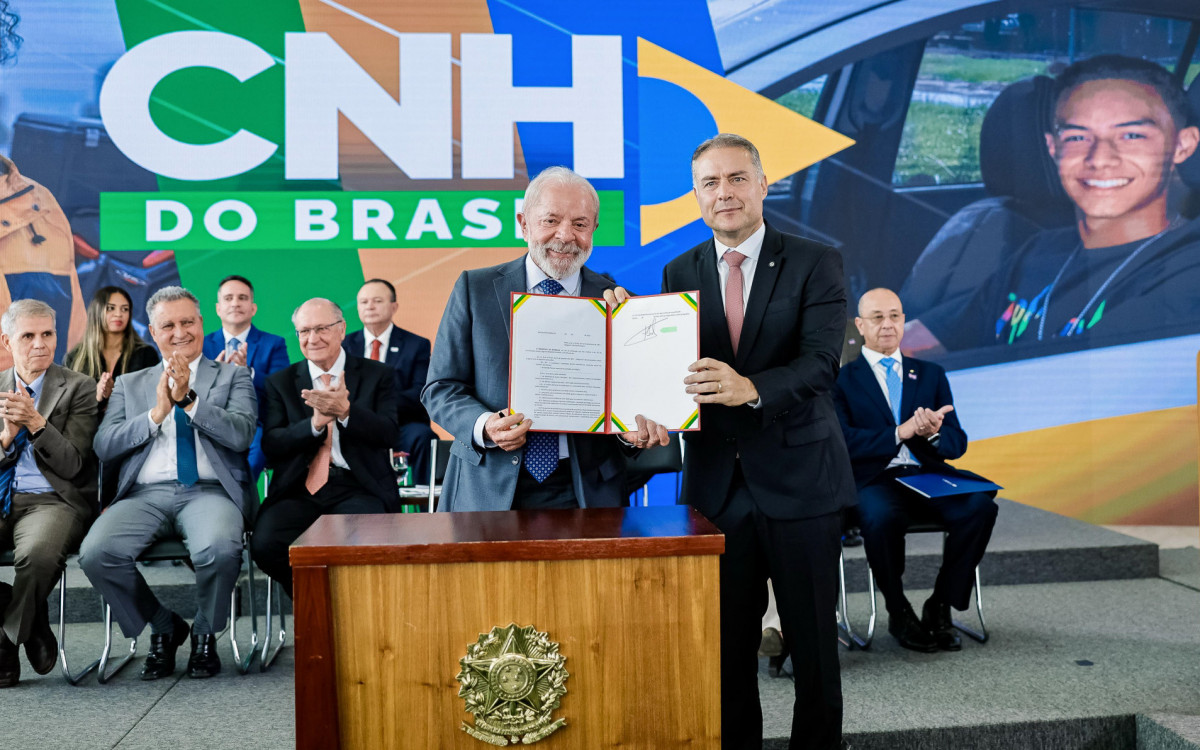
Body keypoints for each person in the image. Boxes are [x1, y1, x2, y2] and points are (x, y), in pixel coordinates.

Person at [609, 134, 856, 750]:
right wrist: (628, 348)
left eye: (737, 179)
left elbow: (824, 363)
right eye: (710, 184)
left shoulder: (815, 261)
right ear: (695, 196)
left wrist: (750, 387)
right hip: (717, 489)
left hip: (802, 485)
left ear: (763, 184)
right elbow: (670, 371)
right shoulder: (680, 270)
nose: (725, 194)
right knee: (725, 653)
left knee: (813, 651)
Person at [909, 55, 1200, 355]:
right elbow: (923, 340)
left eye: (1131, 135)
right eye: (1077, 137)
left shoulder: (1187, 274)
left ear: (1183, 145)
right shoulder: (1040, 252)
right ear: (1053, 148)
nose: (1099, 159)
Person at [422, 166, 667, 513]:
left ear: (594, 229)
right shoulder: (474, 289)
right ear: (523, 224)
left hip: (586, 491)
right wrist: (485, 426)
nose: (565, 236)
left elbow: (635, 404)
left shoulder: (621, 304)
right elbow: (441, 388)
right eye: (550, 221)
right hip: (486, 487)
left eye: (580, 224)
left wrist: (631, 433)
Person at [79, 286, 257, 680]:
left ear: (202, 324)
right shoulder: (130, 383)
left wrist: (190, 401)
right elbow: (105, 445)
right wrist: (156, 414)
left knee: (220, 549)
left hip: (209, 492)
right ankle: (163, 625)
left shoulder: (234, 376)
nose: (180, 332)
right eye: (169, 325)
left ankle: (205, 634)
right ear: (153, 331)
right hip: (144, 495)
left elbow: (242, 434)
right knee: (96, 553)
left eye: (188, 322)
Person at [835, 288, 998, 652]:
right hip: (874, 479)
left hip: (926, 475)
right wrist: (899, 432)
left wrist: (937, 432)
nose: (888, 325)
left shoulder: (930, 374)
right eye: (878, 317)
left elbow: (958, 442)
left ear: (904, 321)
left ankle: (940, 604)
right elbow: (842, 442)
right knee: (879, 517)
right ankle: (898, 609)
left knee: (980, 508)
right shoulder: (841, 379)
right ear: (860, 325)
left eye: (895, 316)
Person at [252, 298, 399, 597]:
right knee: (266, 544)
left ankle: (342, 614)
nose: (312, 338)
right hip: (298, 487)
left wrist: (346, 412)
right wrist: (314, 425)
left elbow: (390, 433)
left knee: (367, 548)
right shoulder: (281, 382)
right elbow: (272, 443)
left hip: (359, 485)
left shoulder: (377, 374)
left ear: (342, 329)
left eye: (321, 328)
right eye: (304, 331)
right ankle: (318, 607)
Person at [0, 299, 97, 687]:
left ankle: (5, 641)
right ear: (7, 341)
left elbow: (73, 464)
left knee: (38, 556)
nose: (40, 344)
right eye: (28, 336)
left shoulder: (78, 387)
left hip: (53, 499)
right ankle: (24, 609)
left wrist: (37, 424)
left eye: (47, 334)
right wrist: (6, 441)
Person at [343, 278, 437, 483]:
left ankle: (427, 509)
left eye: (377, 300)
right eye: (364, 302)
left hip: (401, 425)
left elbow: (420, 392)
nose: (370, 306)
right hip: (357, 426)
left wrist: (378, 404)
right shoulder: (345, 345)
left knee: (423, 438)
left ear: (394, 306)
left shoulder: (416, 344)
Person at [201, 274, 290, 480]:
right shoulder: (202, 344)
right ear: (218, 308)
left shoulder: (274, 344)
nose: (235, 303)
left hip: (256, 423)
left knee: (250, 464)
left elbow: (282, 389)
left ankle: (239, 502)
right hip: (211, 421)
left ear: (253, 308)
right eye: (228, 298)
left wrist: (247, 372)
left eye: (242, 298)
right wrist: (214, 377)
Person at [65, 286, 158, 418]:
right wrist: (97, 397)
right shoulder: (75, 358)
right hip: (88, 435)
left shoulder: (146, 354)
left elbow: (152, 403)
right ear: (97, 311)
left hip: (132, 432)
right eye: (111, 308)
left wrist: (116, 398)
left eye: (125, 309)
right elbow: (68, 411)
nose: (118, 314)